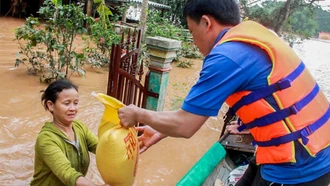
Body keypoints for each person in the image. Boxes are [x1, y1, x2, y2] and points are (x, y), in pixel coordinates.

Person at [118, 0, 330, 185]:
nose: (193, 41)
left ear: (206, 23)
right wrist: (160, 129)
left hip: (299, 167)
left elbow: (186, 125)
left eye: (192, 31)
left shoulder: (227, 56)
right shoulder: (250, 38)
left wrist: (138, 114)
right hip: (308, 150)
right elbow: (196, 110)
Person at [30, 79, 108, 186]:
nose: (73, 108)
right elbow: (68, 174)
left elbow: (101, 149)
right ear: (50, 105)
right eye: (67, 103)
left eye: (76, 103)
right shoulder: (46, 139)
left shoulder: (79, 127)